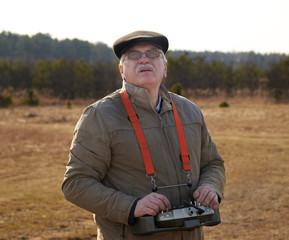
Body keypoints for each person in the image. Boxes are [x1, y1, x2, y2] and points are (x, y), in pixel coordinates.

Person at [62, 30, 225, 240]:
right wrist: (132, 206)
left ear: (164, 68)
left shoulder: (189, 111)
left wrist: (211, 187)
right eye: (133, 55)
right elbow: (75, 183)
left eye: (153, 53)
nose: (144, 59)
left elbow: (213, 164)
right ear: (122, 70)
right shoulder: (99, 116)